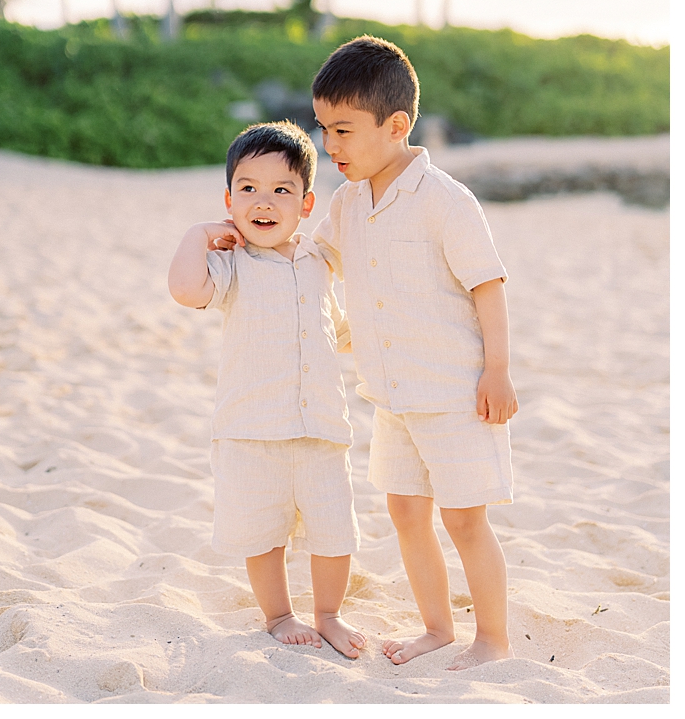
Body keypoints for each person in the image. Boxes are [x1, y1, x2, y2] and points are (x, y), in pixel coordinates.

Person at [310, 35, 516, 670]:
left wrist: (498, 371)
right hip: (391, 396)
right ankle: (438, 627)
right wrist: (248, 232)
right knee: (405, 511)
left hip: (455, 394)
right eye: (322, 130)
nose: (329, 146)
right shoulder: (348, 203)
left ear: (396, 125)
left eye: (343, 130)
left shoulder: (445, 201)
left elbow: (488, 284)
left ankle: (493, 639)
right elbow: (313, 257)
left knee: (465, 522)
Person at [169, 121, 367, 658]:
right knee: (264, 534)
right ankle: (279, 614)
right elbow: (186, 289)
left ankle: (330, 613)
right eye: (249, 189)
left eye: (282, 190)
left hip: (322, 427)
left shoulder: (319, 261)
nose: (264, 201)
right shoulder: (232, 264)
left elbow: (340, 329)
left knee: (334, 531)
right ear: (230, 200)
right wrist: (199, 235)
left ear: (305, 205)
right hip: (252, 431)